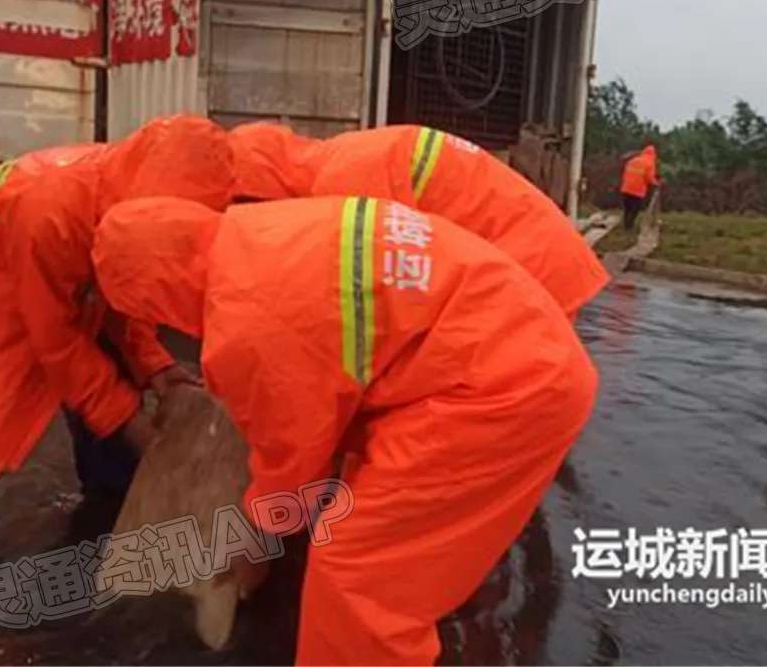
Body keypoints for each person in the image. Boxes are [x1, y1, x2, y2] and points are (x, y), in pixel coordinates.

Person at [91, 195, 599, 665]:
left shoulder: (247, 322)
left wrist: (254, 543)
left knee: (357, 581)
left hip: (500, 389)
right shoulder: (266, 231)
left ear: (154, 294)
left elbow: (292, 459)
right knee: (364, 519)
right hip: (506, 348)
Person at [0, 115, 234, 560]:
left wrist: (157, 368)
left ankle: (107, 500)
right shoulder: (52, 209)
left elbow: (118, 294)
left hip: (49, 277)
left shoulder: (121, 185)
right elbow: (57, 343)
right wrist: (131, 424)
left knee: (109, 374)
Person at [228, 122, 608, 320]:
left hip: (533, 269)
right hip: (540, 258)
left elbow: (367, 300)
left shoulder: (340, 184)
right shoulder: (343, 157)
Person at [620, 143, 660, 230]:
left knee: (627, 208)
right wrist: (656, 183)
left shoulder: (632, 161)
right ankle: (629, 227)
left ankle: (626, 225)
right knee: (634, 209)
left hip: (626, 188)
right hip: (637, 191)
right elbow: (649, 178)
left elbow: (624, 174)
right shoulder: (649, 163)